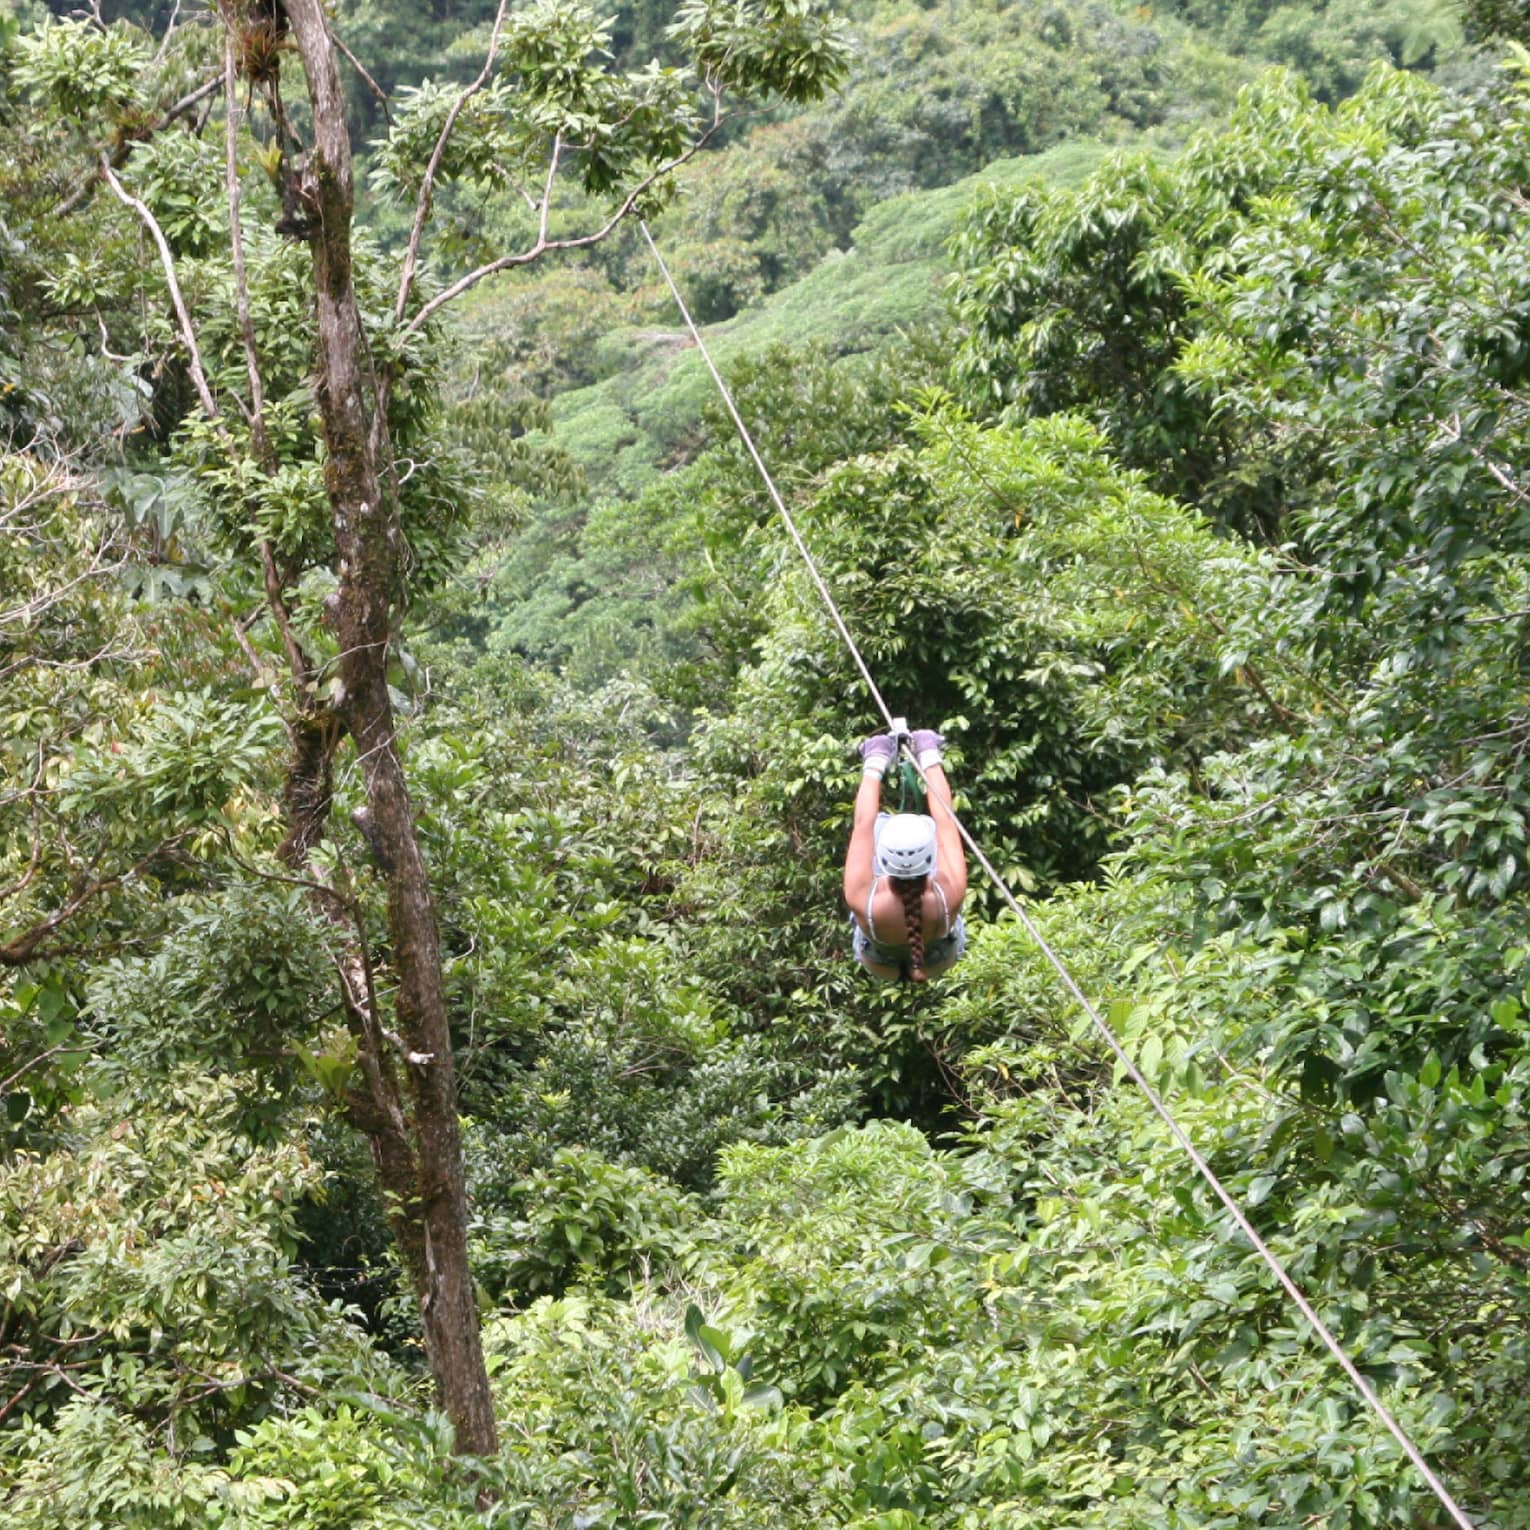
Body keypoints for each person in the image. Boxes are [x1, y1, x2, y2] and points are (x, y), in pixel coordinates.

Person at [844, 728, 969, 982]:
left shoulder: (862, 897)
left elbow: (863, 824)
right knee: (931, 826)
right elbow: (945, 819)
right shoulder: (950, 892)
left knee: (878, 825)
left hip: (880, 963)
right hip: (936, 959)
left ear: (885, 861)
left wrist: (875, 760)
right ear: (928, 859)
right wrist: (928, 754)